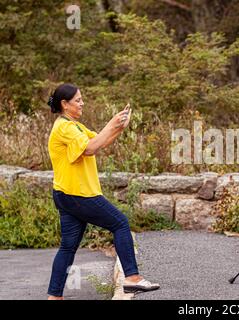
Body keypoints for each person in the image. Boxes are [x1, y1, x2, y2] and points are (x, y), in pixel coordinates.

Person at [46, 83, 159, 300]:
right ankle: (132, 278)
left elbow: (99, 142)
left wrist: (118, 126)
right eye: (78, 100)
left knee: (68, 247)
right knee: (120, 223)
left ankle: (55, 297)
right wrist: (113, 123)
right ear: (64, 104)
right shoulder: (65, 128)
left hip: (67, 194)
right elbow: (89, 148)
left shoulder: (74, 126)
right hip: (78, 194)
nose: (82, 103)